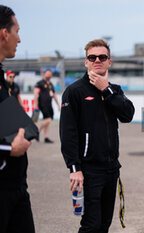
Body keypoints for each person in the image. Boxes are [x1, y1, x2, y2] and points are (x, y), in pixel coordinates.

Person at [60, 39, 135, 233]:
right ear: (86, 62)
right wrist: (74, 168)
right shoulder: (74, 91)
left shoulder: (114, 90)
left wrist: (106, 89)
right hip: (89, 170)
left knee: (104, 225)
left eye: (102, 57)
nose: (97, 60)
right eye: (92, 57)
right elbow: (68, 134)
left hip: (111, 169)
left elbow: (128, 115)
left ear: (109, 62)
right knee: (91, 225)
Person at [0, 5, 35, 233]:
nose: (19, 39)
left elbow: (19, 126)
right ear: (5, 34)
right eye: (17, 32)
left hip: (15, 186)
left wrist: (22, 132)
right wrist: (7, 148)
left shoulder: (3, 79)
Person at [33, 69, 60, 143]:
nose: (49, 75)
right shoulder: (40, 83)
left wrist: (58, 104)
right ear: (44, 74)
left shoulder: (51, 84)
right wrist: (35, 104)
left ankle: (46, 137)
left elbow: (54, 95)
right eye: (47, 73)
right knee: (48, 119)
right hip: (42, 104)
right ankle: (37, 131)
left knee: (48, 121)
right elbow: (35, 94)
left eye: (50, 74)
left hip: (49, 105)